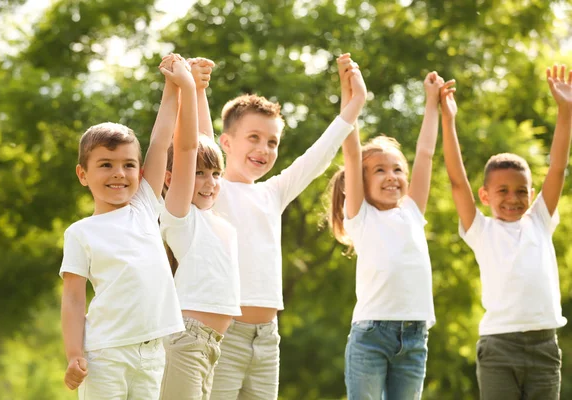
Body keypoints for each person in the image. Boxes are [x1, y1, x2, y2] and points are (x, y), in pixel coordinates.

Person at [205, 54, 367, 399]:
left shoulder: (272, 193)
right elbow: (198, 141)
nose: (263, 149)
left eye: (272, 142)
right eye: (254, 137)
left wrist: (354, 103)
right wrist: (197, 89)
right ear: (227, 142)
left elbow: (320, 154)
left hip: (267, 337)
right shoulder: (211, 191)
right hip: (224, 333)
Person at [59, 55, 187, 399]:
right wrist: (74, 354)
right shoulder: (80, 232)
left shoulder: (144, 205)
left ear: (140, 172)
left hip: (151, 352)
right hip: (104, 355)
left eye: (129, 164)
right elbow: (72, 299)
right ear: (83, 175)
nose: (119, 173)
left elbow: (161, 141)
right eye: (106, 164)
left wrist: (172, 86)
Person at [441, 65, 571, 399]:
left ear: (531, 193)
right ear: (484, 196)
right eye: (502, 191)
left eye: (521, 191)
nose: (513, 199)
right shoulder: (481, 230)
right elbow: (457, 180)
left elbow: (557, 167)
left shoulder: (540, 219)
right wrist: (448, 120)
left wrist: (565, 111)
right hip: (499, 347)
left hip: (544, 347)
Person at [327, 57, 442, 399]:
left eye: (397, 170)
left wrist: (432, 102)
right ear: (360, 182)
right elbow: (351, 151)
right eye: (379, 170)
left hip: (415, 336)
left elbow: (425, 153)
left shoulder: (411, 211)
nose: (392, 176)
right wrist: (349, 93)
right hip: (371, 335)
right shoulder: (361, 216)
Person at [158, 55, 241, 400]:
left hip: (212, 344)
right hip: (187, 339)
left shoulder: (215, 216)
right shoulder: (180, 217)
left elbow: (204, 143)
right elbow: (190, 146)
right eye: (198, 174)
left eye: (216, 174)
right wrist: (186, 89)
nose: (210, 183)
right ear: (171, 180)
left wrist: (202, 90)